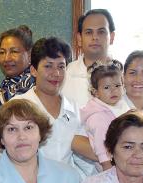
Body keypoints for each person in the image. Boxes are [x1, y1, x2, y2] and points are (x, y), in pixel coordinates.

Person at [13, 37, 97, 173]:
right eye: (48, 66)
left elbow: (84, 160)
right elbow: (5, 156)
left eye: (61, 66)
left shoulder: (74, 109)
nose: (56, 73)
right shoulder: (17, 107)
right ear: (33, 70)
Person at [81, 59, 129, 171]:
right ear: (96, 92)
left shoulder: (120, 106)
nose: (113, 91)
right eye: (107, 87)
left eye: (117, 85)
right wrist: (109, 170)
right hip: (108, 166)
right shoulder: (98, 117)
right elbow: (101, 148)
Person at [62, 9, 115, 108]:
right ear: (79, 39)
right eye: (89, 32)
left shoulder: (124, 75)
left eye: (101, 32)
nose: (95, 37)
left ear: (111, 37)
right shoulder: (65, 74)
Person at [0, 25, 35, 107]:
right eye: (2, 52)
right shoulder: (9, 83)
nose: (6, 58)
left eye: (14, 52)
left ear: (29, 55)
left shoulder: (28, 86)